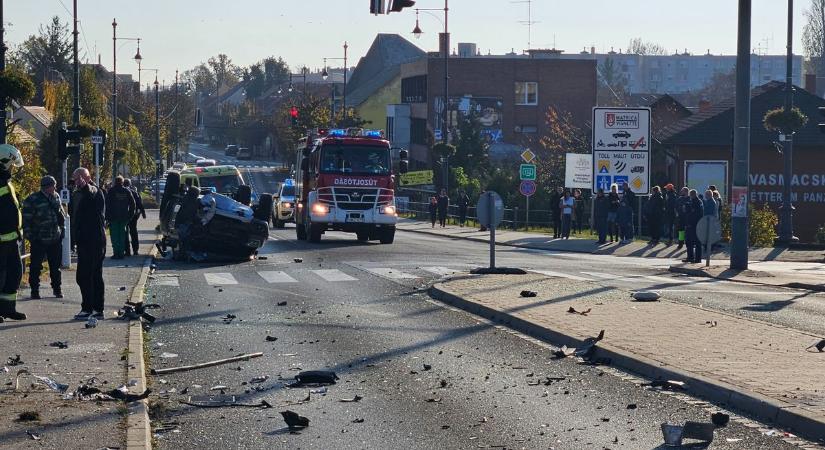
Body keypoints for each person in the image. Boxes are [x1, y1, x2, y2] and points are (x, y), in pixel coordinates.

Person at [22, 175, 65, 299]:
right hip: (39, 239)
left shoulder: (56, 197)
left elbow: (60, 214)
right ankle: (34, 290)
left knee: (55, 266)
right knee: (36, 266)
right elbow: (26, 221)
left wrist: (61, 231)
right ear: (47, 187)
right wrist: (32, 237)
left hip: (55, 238)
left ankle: (57, 289)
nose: (55, 188)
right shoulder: (32, 199)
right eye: (53, 186)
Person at [71, 167, 107, 320]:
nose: (75, 182)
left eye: (77, 179)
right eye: (74, 180)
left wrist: (85, 185)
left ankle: (89, 308)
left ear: (85, 178)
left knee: (86, 276)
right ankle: (96, 308)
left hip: (93, 240)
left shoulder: (94, 191)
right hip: (87, 240)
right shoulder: (78, 194)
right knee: (93, 275)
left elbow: (91, 192)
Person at [0, 144, 26, 322]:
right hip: (1, 238)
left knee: (15, 272)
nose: (12, 168)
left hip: (11, 238)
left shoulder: (5, 181)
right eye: (11, 164)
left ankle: (8, 308)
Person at [105, 176, 135, 259]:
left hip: (113, 217)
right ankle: (121, 253)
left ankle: (116, 253)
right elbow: (133, 204)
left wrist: (107, 217)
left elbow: (107, 204)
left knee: (114, 236)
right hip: (124, 217)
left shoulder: (111, 191)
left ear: (115, 182)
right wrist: (130, 215)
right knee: (122, 236)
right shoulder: (127, 191)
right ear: (122, 182)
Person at [123, 178, 146, 256]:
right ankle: (135, 250)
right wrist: (143, 213)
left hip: (125, 215)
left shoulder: (123, 192)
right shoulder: (134, 192)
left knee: (125, 233)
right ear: (130, 184)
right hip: (133, 215)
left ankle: (127, 251)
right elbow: (139, 203)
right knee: (133, 232)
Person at [684, 189, 704, 264]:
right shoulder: (693, 202)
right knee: (689, 242)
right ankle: (690, 257)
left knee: (697, 242)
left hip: (694, 225)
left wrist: (689, 210)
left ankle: (697, 258)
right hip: (691, 224)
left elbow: (695, 214)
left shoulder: (697, 202)